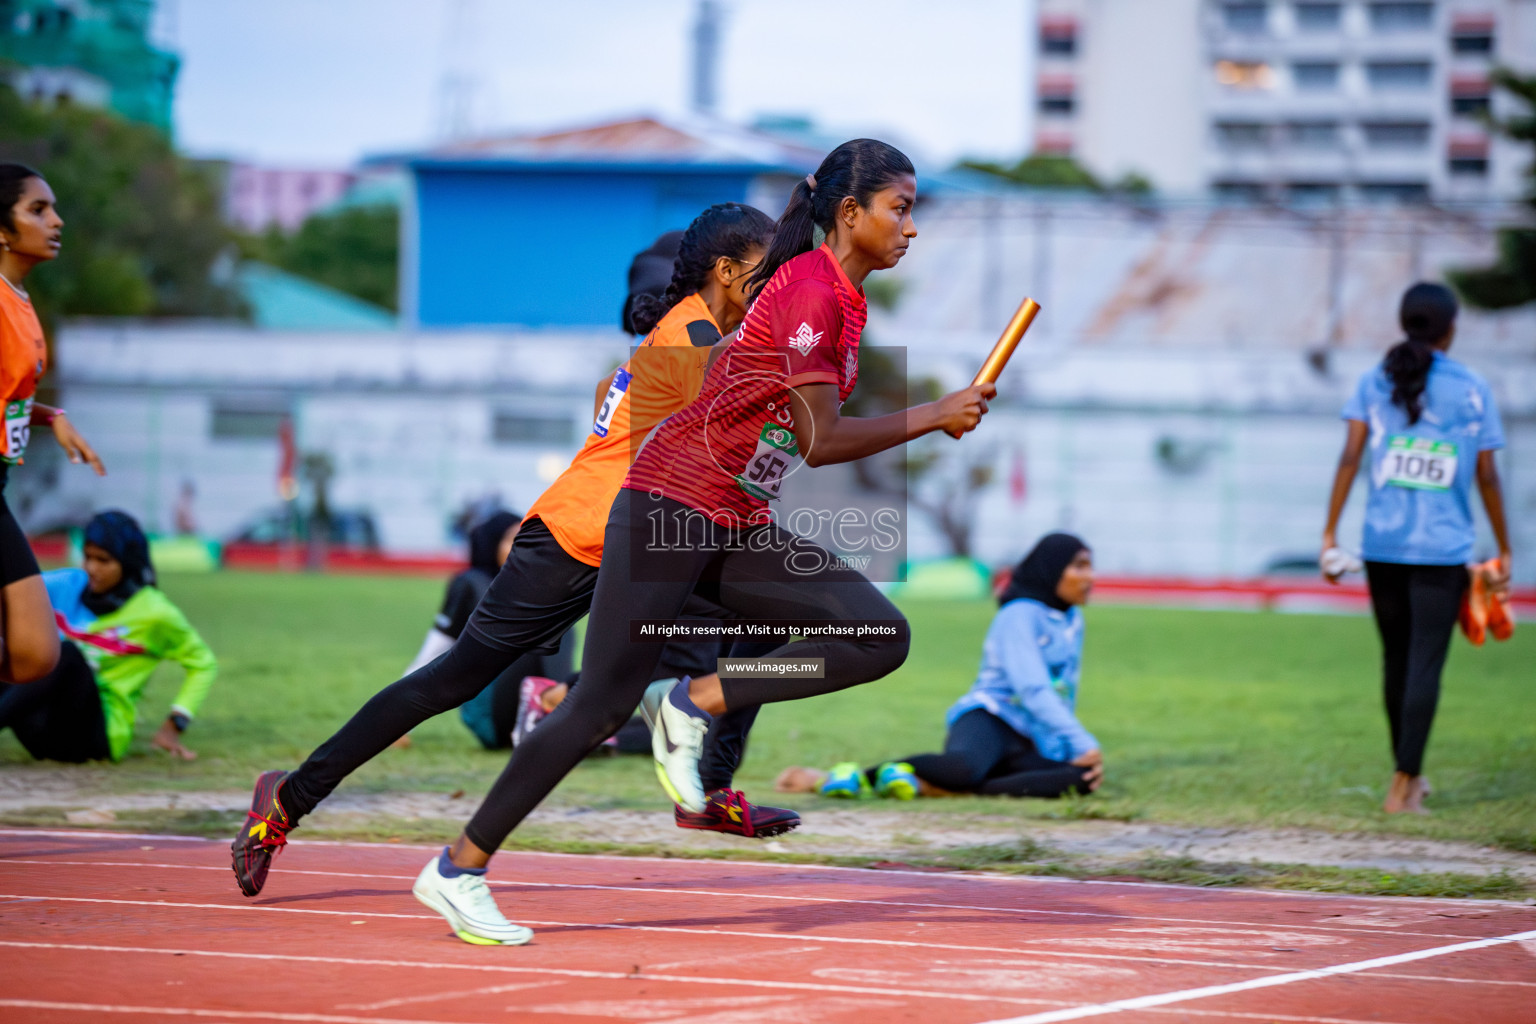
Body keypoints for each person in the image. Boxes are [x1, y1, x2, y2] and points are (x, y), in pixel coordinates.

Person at [401, 138, 997, 946]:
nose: (911, 228)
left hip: (730, 518)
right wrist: (937, 413)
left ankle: (694, 700)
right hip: (670, 509)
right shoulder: (815, 292)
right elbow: (819, 440)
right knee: (594, 708)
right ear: (850, 214)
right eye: (902, 209)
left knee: (875, 635)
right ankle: (458, 868)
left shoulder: (844, 300)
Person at [233, 202, 793, 904]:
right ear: (725, 270)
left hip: (646, 542)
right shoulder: (695, 341)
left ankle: (706, 786)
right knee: (451, 681)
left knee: (765, 620)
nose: (776, 286)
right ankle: (288, 796)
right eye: (766, 272)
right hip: (574, 540)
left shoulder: (693, 339)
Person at [1320, 282, 1511, 815]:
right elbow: (1489, 476)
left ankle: (1407, 777)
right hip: (1441, 550)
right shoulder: (1472, 388)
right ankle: (1404, 785)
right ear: (1451, 328)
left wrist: (1329, 535)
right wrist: (1505, 546)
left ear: (1405, 322)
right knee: (1425, 663)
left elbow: (1349, 457)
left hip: (1382, 545)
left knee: (1396, 661)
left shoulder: (1372, 380)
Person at [778, 534, 1103, 801]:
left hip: (1026, 736)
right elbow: (1033, 688)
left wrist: (1062, 749)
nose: (1089, 576)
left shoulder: (1072, 620)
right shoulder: (1019, 615)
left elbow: (1064, 689)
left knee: (1081, 779)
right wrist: (1082, 743)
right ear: (1052, 569)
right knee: (965, 769)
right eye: (1079, 566)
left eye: (1090, 566)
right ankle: (843, 778)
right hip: (988, 719)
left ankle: (944, 789)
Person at [0, 510, 217, 762]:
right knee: (15, 647)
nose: (91, 568)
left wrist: (175, 724)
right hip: (41, 731)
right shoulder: (68, 583)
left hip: (95, 738)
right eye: (88, 557)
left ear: (127, 563)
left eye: (103, 560)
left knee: (66, 655)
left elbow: (204, 664)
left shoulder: (155, 612)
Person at [0, 163, 105, 684]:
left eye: (54, 208)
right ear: (2, 228)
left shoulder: (18, 300)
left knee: (37, 653)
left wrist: (52, 416)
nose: (56, 221)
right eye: (37, 210)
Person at [395, 510, 573, 750]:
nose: (526, 547)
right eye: (514, 539)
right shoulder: (471, 583)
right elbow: (435, 650)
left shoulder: (535, 587)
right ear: (492, 543)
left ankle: (565, 718)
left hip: (528, 701)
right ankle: (562, 718)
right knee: (549, 624)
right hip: (489, 711)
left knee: (560, 618)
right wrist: (398, 724)